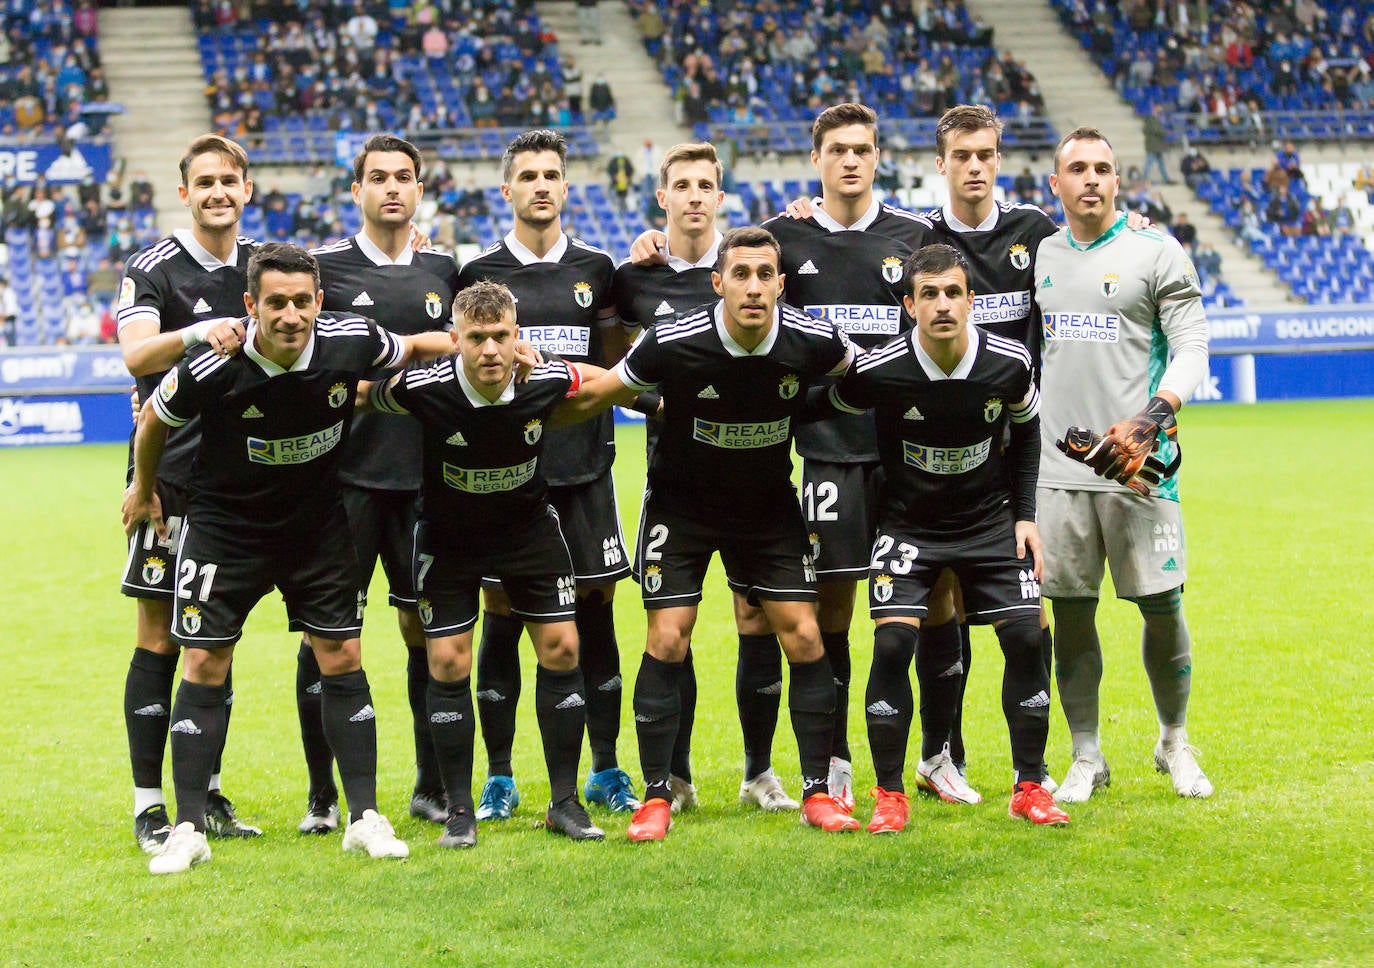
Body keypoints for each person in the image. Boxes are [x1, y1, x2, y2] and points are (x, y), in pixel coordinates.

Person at [122, 242, 454, 874]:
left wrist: (470, 350)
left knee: (342, 654)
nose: (291, 315)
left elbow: (410, 347)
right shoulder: (212, 365)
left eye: (303, 301)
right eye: (276, 302)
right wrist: (143, 489)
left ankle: (363, 818)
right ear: (251, 305)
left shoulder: (351, 339)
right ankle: (188, 826)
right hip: (227, 529)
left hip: (316, 527)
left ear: (319, 303)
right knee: (203, 659)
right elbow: (155, 421)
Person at [566, 226, 861, 841]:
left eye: (764, 275)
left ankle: (816, 793)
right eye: (741, 275)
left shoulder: (812, 339)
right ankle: (656, 797)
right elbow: (605, 389)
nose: (753, 287)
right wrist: (526, 390)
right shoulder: (673, 341)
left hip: (767, 507)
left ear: (782, 284)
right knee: (669, 635)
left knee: (805, 635)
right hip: (682, 505)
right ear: (717, 282)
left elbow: (864, 376)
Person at [817, 243, 1068, 830]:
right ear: (909, 305)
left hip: (988, 524)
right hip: (908, 528)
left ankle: (1028, 785)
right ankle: (888, 793)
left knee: (1029, 637)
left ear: (971, 301)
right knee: (892, 645)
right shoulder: (881, 369)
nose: (942, 304)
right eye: (928, 294)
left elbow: (1028, 435)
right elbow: (819, 404)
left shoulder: (1007, 363)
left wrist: (1026, 517)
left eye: (953, 292)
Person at [361, 281, 608, 847]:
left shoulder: (541, 376)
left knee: (564, 648)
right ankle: (459, 812)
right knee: (447, 660)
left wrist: (659, 401)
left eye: (501, 336)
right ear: (457, 340)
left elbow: (600, 380)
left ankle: (564, 803)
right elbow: (357, 396)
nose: (491, 350)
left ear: (517, 337)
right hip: (448, 538)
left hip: (528, 531)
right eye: (477, 338)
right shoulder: (424, 387)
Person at [456, 130, 637, 819]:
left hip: (587, 473)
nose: (539, 185)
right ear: (507, 190)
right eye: (526, 175)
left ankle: (607, 768)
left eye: (550, 174)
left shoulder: (599, 269)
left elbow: (617, 369)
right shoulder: (477, 275)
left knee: (596, 612)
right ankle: (500, 776)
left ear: (566, 189)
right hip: (508, 479)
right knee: (500, 617)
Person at [1036, 127, 1213, 803]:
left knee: (1163, 604)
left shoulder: (1155, 250)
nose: (1090, 178)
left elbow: (1193, 344)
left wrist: (1154, 415)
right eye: (1076, 168)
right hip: (1059, 473)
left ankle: (1175, 741)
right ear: (1056, 184)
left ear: (1119, 179)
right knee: (1071, 614)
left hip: (1140, 469)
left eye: (1102, 168)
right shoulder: (1039, 256)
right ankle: (1086, 756)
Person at [292, 134, 463, 835]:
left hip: (427, 483)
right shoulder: (323, 269)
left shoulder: (444, 269)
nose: (392, 188)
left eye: (404, 177)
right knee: (325, 637)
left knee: (425, 632)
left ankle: (429, 785)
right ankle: (322, 795)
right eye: (378, 178)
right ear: (355, 190)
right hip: (341, 485)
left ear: (420, 190)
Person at [115, 134, 260, 854]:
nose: (217, 193)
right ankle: (149, 804)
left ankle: (202, 794)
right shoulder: (153, 268)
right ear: (184, 193)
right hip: (166, 480)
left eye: (228, 180)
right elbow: (136, 354)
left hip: (238, 483)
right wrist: (202, 331)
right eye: (204, 182)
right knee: (160, 638)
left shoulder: (262, 265)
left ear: (247, 188)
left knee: (216, 643)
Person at [607, 142, 722, 813]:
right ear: (664, 197)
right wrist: (657, 403)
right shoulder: (634, 279)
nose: (695, 196)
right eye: (683, 185)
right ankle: (673, 776)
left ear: (720, 197)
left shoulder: (748, 268)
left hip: (753, 478)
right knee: (670, 632)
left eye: (706, 185)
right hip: (669, 476)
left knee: (759, 621)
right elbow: (614, 368)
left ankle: (760, 772)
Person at [1142, 103, 1172, 184]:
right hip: (1153, 145)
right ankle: (1144, 180)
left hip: (1157, 145)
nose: (1161, 109)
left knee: (1161, 164)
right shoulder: (1151, 118)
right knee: (1149, 163)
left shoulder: (1156, 118)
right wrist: (1166, 133)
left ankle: (1166, 179)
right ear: (1155, 108)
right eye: (1159, 107)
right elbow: (1156, 130)